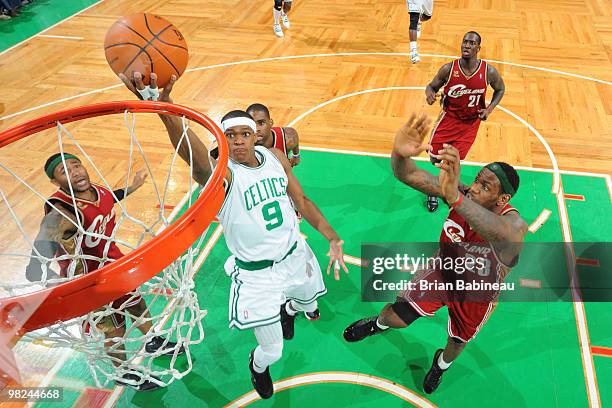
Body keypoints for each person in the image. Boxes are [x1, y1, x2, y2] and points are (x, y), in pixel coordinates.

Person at [119, 71, 348, 400]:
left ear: (256, 136)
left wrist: (332, 236)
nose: (238, 140)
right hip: (258, 277)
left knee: (308, 300)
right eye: (230, 135)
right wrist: (164, 108)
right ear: (222, 141)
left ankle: (291, 309)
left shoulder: (274, 157)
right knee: (273, 350)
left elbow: (301, 201)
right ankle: (257, 366)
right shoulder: (221, 176)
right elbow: (194, 156)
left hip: (295, 255)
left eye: (245, 134)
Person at [343, 113, 527, 394]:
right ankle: (378, 325)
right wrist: (399, 154)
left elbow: (504, 233)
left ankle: (440, 365)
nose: (475, 187)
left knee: (456, 342)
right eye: (477, 180)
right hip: (442, 273)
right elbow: (408, 174)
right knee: (396, 315)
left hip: (475, 294)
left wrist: (454, 197)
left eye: (485, 186)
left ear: (503, 200)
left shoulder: (513, 224)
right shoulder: (462, 192)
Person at [26, 154, 184, 391]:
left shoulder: (95, 190)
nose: (75, 172)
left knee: (136, 303)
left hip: (112, 265)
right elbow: (35, 264)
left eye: (76, 165)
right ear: (55, 182)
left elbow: (110, 198)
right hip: (89, 281)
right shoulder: (62, 212)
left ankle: (152, 340)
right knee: (114, 328)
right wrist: (59, 284)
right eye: (64, 171)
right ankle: (122, 370)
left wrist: (133, 187)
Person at [424, 31, 505, 212]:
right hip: (448, 120)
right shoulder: (449, 69)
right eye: (464, 42)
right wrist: (429, 94)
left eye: (471, 43)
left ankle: (436, 189)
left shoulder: (488, 72)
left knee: (452, 161)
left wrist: (489, 109)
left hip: (470, 124)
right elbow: (431, 86)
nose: (466, 45)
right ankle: (441, 182)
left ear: (478, 48)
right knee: (435, 158)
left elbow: (500, 89)